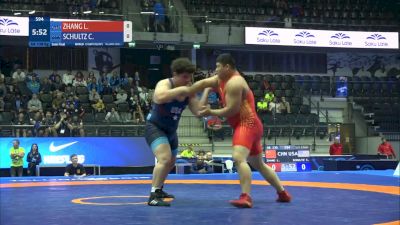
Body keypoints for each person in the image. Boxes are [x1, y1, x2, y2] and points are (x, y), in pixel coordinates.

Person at [186, 53, 291, 208]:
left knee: (238, 158)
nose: (215, 70)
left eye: (217, 66)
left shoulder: (235, 82)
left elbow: (231, 111)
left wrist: (211, 113)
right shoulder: (220, 79)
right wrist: (185, 91)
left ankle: (246, 196)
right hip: (251, 125)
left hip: (246, 124)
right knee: (258, 164)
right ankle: (283, 194)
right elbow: (201, 84)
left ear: (227, 67)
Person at [145, 57, 208, 207]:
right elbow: (159, 97)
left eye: (190, 77)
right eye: (184, 77)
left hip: (171, 132)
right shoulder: (165, 83)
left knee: (171, 162)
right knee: (165, 159)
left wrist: (206, 90)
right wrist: (184, 89)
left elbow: (198, 112)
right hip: (155, 127)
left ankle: (159, 189)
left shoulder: (189, 93)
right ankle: (153, 196)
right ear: (175, 74)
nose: (188, 80)